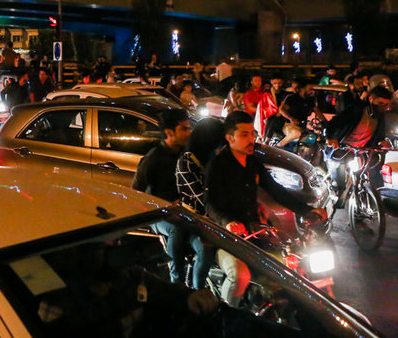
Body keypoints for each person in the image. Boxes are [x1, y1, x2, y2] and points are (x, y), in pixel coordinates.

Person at [205, 111, 326, 306]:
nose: (251, 139)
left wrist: (306, 210)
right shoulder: (218, 166)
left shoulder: (253, 163)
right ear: (230, 138)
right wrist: (228, 223)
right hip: (226, 237)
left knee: (289, 267)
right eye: (244, 134)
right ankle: (227, 315)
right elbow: (211, 203)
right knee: (240, 276)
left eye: (252, 133)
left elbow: (277, 191)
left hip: (254, 232)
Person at [131, 111, 194, 284]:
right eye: (184, 129)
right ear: (169, 132)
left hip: (186, 211)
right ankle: (177, 281)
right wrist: (160, 207)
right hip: (160, 214)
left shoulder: (187, 155)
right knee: (176, 230)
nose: (189, 132)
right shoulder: (153, 159)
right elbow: (135, 192)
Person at [175, 118, 224, 289]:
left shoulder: (213, 159)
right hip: (192, 218)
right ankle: (197, 289)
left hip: (214, 218)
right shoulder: (186, 162)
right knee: (206, 250)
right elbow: (201, 198)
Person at [268, 77, 320, 148]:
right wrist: (291, 118)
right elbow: (282, 109)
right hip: (290, 125)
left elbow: (318, 112)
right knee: (296, 133)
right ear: (302, 89)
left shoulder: (310, 100)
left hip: (303, 126)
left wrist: (326, 123)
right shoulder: (292, 98)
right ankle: (278, 147)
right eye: (310, 89)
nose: (312, 91)